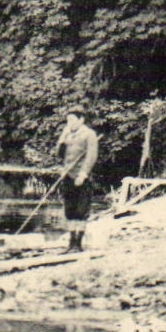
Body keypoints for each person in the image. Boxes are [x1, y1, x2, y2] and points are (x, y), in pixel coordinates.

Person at [54, 106, 99, 252]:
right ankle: (71, 243)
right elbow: (59, 154)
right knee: (70, 210)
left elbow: (91, 156)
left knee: (81, 210)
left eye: (73, 120)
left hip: (82, 177)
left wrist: (83, 174)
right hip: (68, 175)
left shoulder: (89, 134)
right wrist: (62, 140)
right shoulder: (68, 134)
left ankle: (78, 244)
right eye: (68, 121)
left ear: (81, 120)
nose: (70, 123)